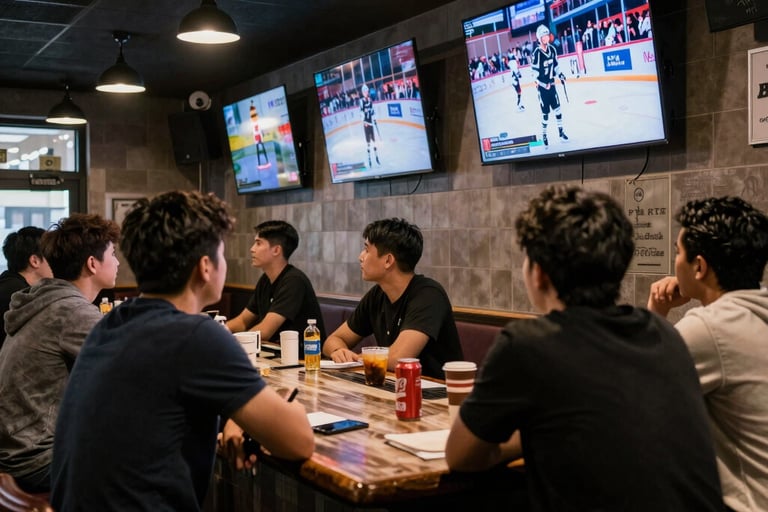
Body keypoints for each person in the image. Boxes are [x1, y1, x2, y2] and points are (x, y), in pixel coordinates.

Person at [445, 185, 724, 510]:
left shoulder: (528, 344)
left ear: (539, 273)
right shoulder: (664, 333)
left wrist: (519, 441)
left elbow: (460, 455)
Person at [50, 191, 314, 511]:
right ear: (205, 266)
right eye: (222, 253)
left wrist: (235, 415)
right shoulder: (195, 336)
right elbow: (298, 441)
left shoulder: (112, 323)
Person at [647, 196, 768, 512]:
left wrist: (655, 312)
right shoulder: (756, 311)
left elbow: (635, 396)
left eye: (677, 252)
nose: (674, 261)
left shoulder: (708, 328)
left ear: (698, 266)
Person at [0, 214, 120, 493]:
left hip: (13, 449)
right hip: (34, 459)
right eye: (113, 254)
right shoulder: (71, 311)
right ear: (92, 263)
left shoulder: (42, 300)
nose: (117, 262)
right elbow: (128, 372)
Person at [322, 218, 463, 379]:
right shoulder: (377, 294)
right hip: (393, 387)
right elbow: (333, 340)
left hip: (436, 394)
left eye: (366, 250)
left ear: (388, 260)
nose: (360, 257)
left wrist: (357, 359)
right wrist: (338, 351)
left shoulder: (429, 295)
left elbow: (399, 357)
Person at [226, 220, 326, 356]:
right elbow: (243, 321)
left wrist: (229, 343)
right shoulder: (265, 280)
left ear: (276, 250)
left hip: (304, 360)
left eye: (258, 243)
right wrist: (218, 331)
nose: (252, 248)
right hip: (276, 357)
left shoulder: (294, 281)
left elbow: (265, 331)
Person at [0, 227, 52, 347]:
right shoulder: (20, 297)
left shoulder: (8, 283)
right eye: (51, 255)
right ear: (35, 261)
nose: (56, 261)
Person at [531, 25, 568, 149]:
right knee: (545, 115)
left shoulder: (552, 49)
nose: (546, 38)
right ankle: (544, 135)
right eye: (544, 36)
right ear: (539, 38)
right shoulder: (536, 53)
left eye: (547, 35)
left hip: (552, 86)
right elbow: (534, 75)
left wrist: (561, 75)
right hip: (542, 90)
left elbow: (556, 66)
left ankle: (561, 132)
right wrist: (543, 84)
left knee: (558, 110)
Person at [360, 84, 381, 168]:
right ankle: (369, 158)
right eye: (364, 91)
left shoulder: (370, 100)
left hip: (371, 123)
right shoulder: (361, 101)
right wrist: (363, 121)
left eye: (366, 91)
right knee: (368, 142)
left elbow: (372, 111)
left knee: (374, 141)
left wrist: (375, 119)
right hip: (366, 124)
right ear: (362, 92)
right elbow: (361, 112)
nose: (366, 92)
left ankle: (376, 156)